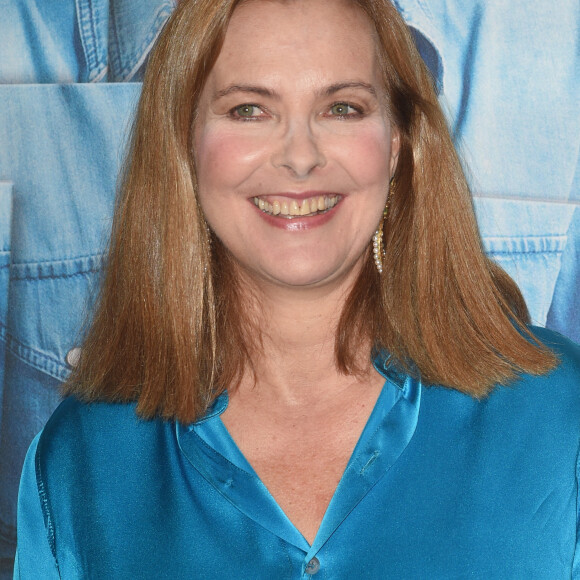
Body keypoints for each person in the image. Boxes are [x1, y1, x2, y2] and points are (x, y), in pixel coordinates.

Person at [13, 0, 580, 577]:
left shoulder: (561, 416)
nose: (301, 157)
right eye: (250, 109)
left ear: (398, 143)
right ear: (184, 143)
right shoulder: (78, 465)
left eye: (342, 108)